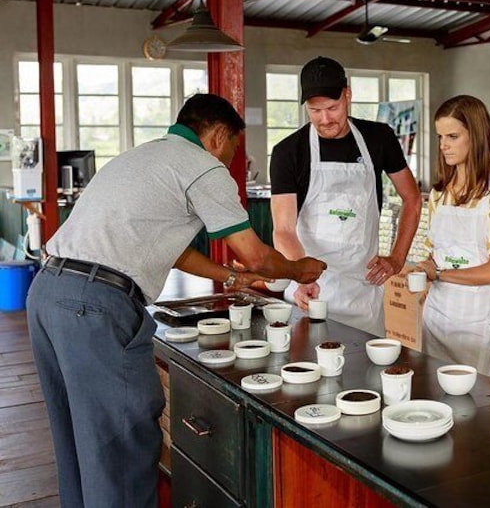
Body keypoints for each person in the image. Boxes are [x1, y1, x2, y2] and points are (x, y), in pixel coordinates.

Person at [27, 93, 326, 508]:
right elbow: (255, 253)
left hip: (47, 292)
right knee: (120, 444)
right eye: (234, 150)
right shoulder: (202, 165)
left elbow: (176, 249)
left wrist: (231, 278)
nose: (230, 161)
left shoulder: (142, 158)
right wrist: (300, 269)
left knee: (80, 441)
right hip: (94, 307)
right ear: (220, 135)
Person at [269, 56, 421, 336]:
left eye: (332, 108)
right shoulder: (288, 152)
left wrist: (398, 258)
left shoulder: (379, 138)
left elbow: (412, 198)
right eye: (315, 110)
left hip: (362, 297)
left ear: (347, 94)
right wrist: (302, 277)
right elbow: (284, 229)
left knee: (363, 376)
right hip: (307, 295)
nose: (324, 119)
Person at [416, 95, 490, 377]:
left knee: (474, 398)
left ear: (475, 136)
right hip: (437, 314)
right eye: (440, 137)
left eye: (452, 136)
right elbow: (435, 251)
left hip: (479, 317)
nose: (443, 145)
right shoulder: (440, 192)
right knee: (433, 394)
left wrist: (438, 273)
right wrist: (425, 270)